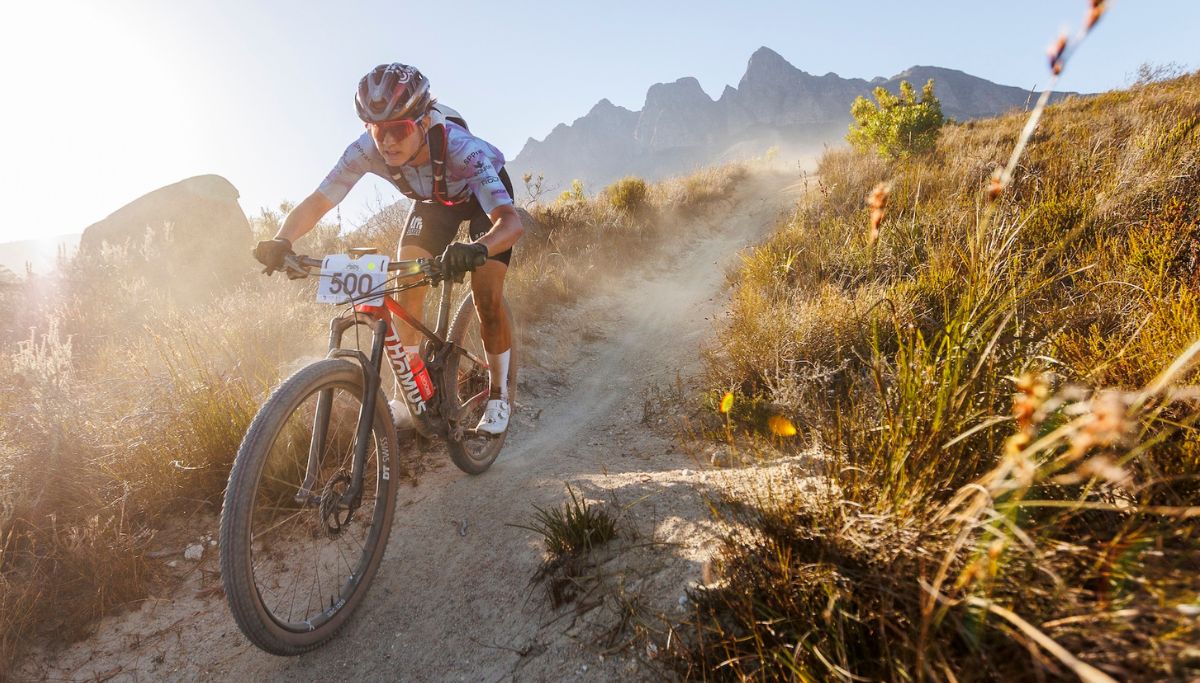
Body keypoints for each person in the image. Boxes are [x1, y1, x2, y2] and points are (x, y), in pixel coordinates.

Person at [252, 63, 523, 436]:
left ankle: (498, 396)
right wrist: (283, 239)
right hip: (433, 204)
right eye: (378, 130)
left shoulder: (463, 149)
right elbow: (320, 200)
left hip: (483, 204)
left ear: (424, 123)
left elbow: (511, 223)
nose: (388, 141)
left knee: (486, 298)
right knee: (408, 288)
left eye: (399, 129)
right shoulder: (366, 150)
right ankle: (406, 397)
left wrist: (478, 248)